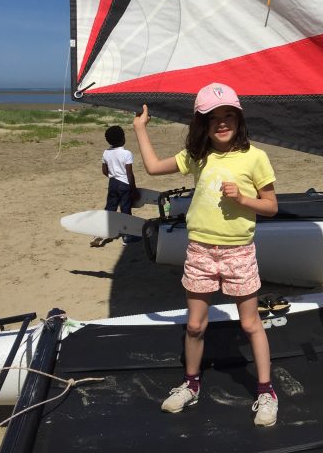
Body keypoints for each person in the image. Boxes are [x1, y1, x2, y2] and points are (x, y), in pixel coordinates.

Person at [132, 83, 280, 426]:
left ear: (239, 119)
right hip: (200, 250)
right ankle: (191, 384)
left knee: (249, 323)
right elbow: (154, 168)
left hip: (239, 252)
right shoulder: (197, 156)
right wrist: (140, 130)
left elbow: (271, 206)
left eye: (229, 115)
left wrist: (243, 199)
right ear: (202, 124)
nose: (222, 123)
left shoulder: (255, 157)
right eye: (213, 118)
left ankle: (266, 391)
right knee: (196, 325)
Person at [90, 125, 140, 247]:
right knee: (125, 210)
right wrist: (134, 189)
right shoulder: (126, 153)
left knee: (110, 208)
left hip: (113, 183)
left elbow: (104, 170)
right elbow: (129, 174)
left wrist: (113, 177)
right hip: (124, 185)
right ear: (123, 139)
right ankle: (127, 237)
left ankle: (100, 232)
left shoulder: (106, 153)